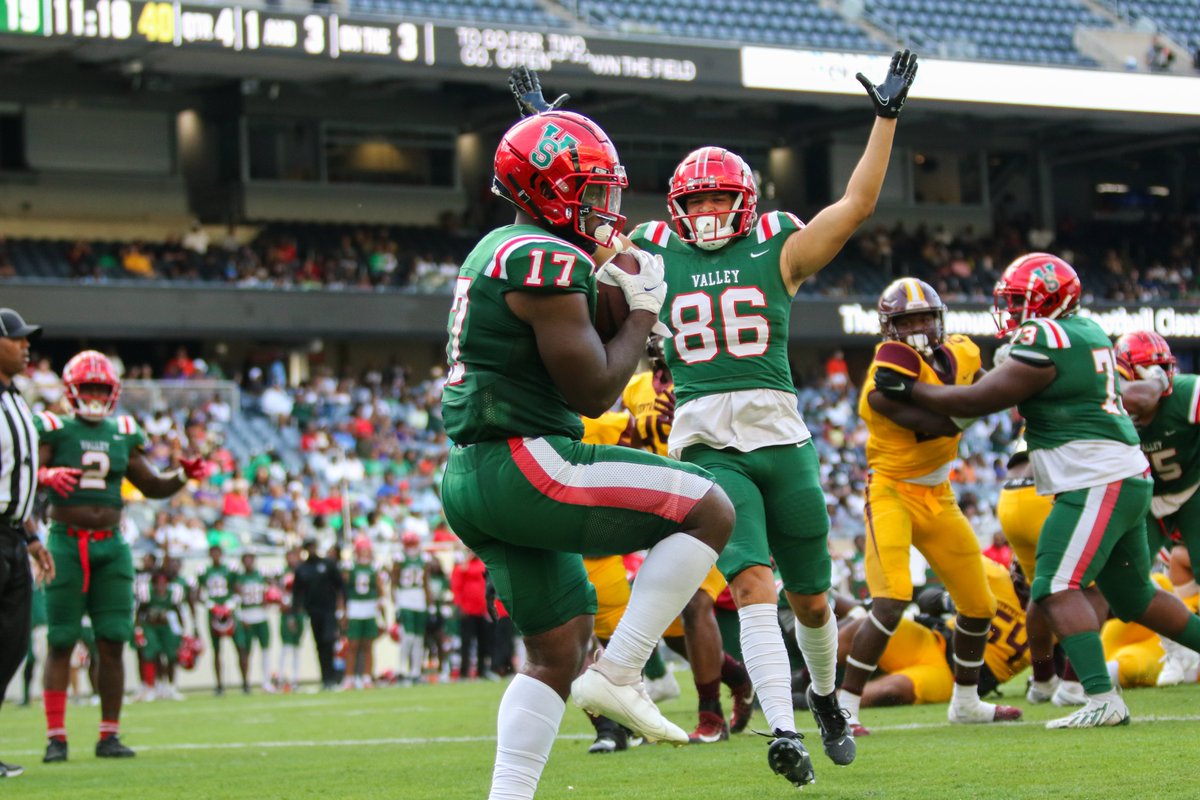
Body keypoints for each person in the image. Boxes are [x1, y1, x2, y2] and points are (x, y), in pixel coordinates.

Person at [615, 51, 917, 781]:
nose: (710, 213)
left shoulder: (778, 245)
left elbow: (856, 208)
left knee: (813, 600)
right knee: (753, 585)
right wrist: (543, 131)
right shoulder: (649, 251)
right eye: (699, 202)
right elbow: (570, 223)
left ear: (743, 202)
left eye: (722, 200)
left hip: (783, 441)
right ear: (679, 208)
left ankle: (824, 698)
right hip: (707, 446)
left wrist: (884, 120)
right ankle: (783, 730)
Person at [439, 106, 733, 800]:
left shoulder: (501, 249)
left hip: (472, 474)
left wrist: (621, 285)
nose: (605, 207)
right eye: (592, 190)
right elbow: (598, 389)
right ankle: (625, 669)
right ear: (546, 190)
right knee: (709, 508)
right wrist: (642, 312)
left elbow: (577, 327)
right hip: (526, 461)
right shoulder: (543, 255)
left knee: (556, 651)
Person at [872, 252, 1200, 728]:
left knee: (1051, 585)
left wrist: (908, 388)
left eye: (1017, 300)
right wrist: (913, 397)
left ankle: (1098, 697)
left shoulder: (1045, 335)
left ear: (1045, 301)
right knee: (1134, 598)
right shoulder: (1084, 332)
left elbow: (980, 399)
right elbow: (974, 404)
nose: (1010, 309)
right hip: (1120, 476)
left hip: (1096, 478)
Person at [839, 278, 1020, 734]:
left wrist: (988, 389)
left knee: (979, 604)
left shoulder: (961, 350)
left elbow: (976, 391)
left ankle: (966, 702)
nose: (918, 326)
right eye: (907, 320)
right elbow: (940, 425)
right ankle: (843, 706)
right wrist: (990, 395)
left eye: (924, 317)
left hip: (939, 494)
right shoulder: (877, 392)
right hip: (892, 492)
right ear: (889, 328)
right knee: (891, 599)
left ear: (938, 320)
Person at [35, 350, 202, 761]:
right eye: (87, 387)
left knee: (113, 639)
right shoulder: (53, 428)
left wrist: (183, 475)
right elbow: (23, 474)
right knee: (61, 640)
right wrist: (45, 475)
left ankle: (109, 734)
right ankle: (56, 737)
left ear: (113, 392)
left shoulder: (123, 430)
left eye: (100, 388)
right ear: (72, 391)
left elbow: (150, 485)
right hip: (65, 542)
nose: (93, 395)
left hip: (111, 544)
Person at [1113, 330, 1200, 685]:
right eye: (1146, 370)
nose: (1155, 378)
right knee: (1126, 582)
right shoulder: (1111, 408)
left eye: (1159, 369)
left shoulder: (1187, 392)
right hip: (1145, 499)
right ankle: (1178, 648)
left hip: (1193, 488)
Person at [835, 559, 1029, 710]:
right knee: (862, 626)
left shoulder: (1052, 620)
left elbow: (1051, 675)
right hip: (933, 638)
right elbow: (926, 599)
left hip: (952, 675)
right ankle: (810, 675)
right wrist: (947, 601)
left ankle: (831, 701)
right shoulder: (994, 576)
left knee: (893, 690)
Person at [0, 308, 51, 779]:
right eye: (17, 339)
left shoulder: (17, 400)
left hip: (13, 534)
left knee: (13, 644)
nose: (26, 345)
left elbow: (18, 481)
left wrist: (32, 534)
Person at [293, 537, 345, 691]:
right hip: (313, 612)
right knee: (320, 645)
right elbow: (297, 594)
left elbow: (340, 586)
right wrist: (295, 614)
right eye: (308, 547)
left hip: (329, 610)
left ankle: (333, 677)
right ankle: (325, 678)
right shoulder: (302, 569)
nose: (311, 550)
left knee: (329, 642)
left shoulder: (328, 564)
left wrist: (342, 608)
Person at [342, 538, 385, 689]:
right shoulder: (350, 567)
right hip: (355, 607)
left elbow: (380, 590)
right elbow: (344, 589)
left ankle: (367, 677)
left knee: (368, 644)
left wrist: (382, 613)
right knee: (352, 644)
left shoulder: (374, 567)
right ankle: (349, 678)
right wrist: (342, 611)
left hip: (369, 607)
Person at [391, 531, 432, 685]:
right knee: (407, 637)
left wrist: (430, 604)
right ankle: (402, 669)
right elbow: (394, 584)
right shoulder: (399, 559)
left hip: (419, 600)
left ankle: (415, 671)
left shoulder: (425, 559)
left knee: (419, 638)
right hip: (405, 598)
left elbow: (426, 582)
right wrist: (396, 605)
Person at [198, 545, 236, 696]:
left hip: (229, 612)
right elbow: (198, 593)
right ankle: (219, 685)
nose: (215, 556)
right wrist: (211, 605)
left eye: (217, 553)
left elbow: (237, 589)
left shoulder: (230, 570)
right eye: (212, 553)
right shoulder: (204, 572)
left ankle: (245, 683)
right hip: (212, 614)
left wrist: (229, 605)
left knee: (239, 646)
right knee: (216, 650)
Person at [233, 550, 273, 694]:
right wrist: (241, 616)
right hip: (246, 617)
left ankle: (266, 682)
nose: (248, 562)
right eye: (246, 559)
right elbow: (235, 600)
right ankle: (246, 683)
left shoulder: (261, 575)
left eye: (251, 559)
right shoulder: (239, 578)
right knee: (245, 651)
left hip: (261, 616)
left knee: (265, 650)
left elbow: (270, 593)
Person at [276, 548, 305, 692]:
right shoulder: (282, 573)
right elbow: (277, 592)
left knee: (296, 647)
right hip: (287, 612)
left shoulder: (302, 572)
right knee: (286, 646)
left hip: (299, 612)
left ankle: (295, 679)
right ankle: (281, 679)